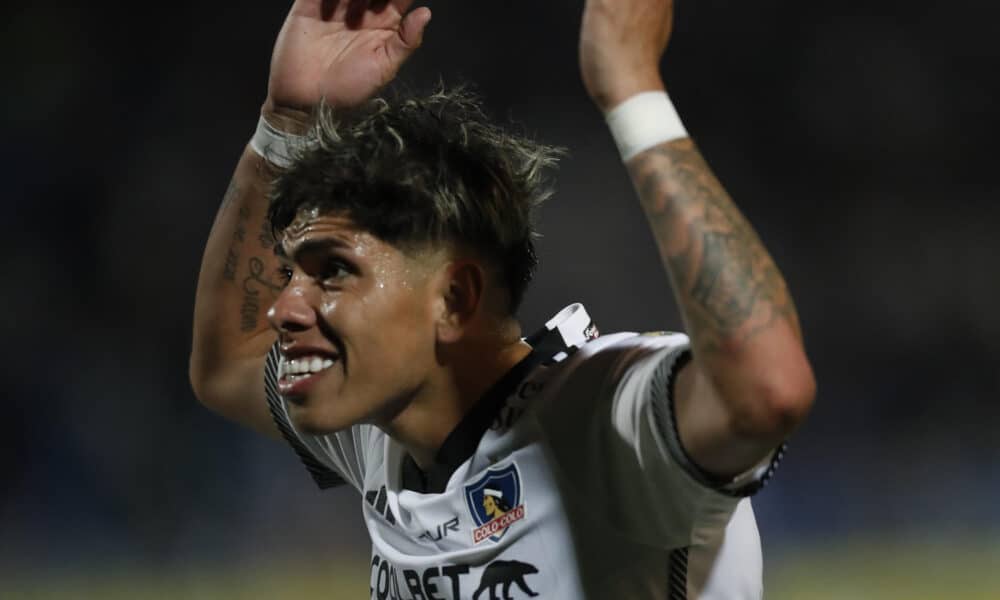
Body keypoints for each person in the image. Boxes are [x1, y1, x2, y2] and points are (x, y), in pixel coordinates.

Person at [190, 0, 816, 598]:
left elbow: (768, 392)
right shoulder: (384, 430)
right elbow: (227, 365)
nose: (284, 308)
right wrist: (287, 125)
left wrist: (632, 91)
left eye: (333, 272)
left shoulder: (602, 423)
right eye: (294, 272)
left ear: (455, 300)